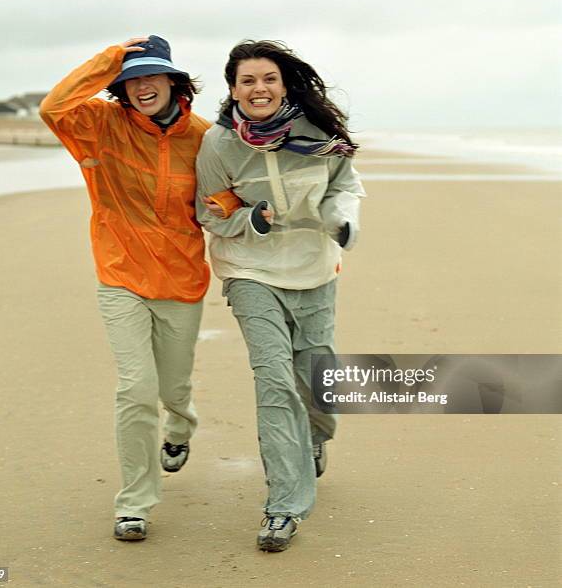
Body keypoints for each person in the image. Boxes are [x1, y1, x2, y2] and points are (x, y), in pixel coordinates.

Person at [40, 35, 215, 541]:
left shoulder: (203, 138)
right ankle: (135, 503)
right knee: (136, 389)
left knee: (173, 389)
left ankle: (180, 428)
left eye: (152, 75)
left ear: (173, 81)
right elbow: (54, 106)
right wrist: (111, 57)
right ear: (120, 85)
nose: (142, 86)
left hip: (181, 279)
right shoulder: (99, 125)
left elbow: (222, 197)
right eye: (132, 78)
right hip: (120, 275)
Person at [196, 40, 366, 552]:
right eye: (247, 81)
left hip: (314, 267)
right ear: (233, 91)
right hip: (250, 270)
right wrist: (249, 219)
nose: (258, 88)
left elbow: (346, 185)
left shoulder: (320, 134)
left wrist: (341, 220)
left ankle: (316, 436)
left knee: (315, 374)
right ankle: (284, 507)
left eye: (267, 78)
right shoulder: (219, 145)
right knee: (274, 381)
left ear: (284, 83)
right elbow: (209, 213)